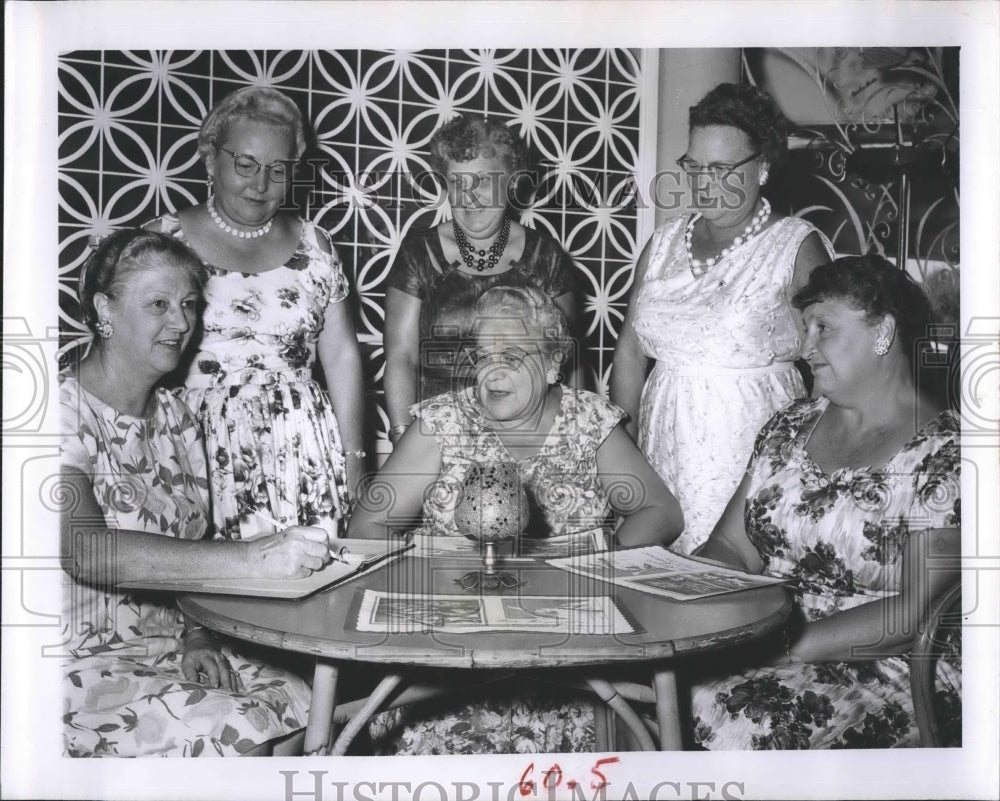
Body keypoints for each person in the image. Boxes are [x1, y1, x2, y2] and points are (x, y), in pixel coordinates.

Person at [349, 286, 683, 754]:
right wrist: (427, 585)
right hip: (451, 659)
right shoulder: (443, 423)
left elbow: (660, 512)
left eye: (513, 355)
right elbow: (367, 529)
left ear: (551, 365)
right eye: (483, 355)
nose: (493, 371)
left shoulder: (589, 421)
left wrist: (590, 566)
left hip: (571, 660)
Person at [60, 229, 331, 757]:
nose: (181, 322)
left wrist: (198, 636)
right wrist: (253, 559)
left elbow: (190, 547)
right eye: (158, 304)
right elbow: (85, 552)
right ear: (103, 310)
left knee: (300, 698)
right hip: (77, 662)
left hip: (168, 648)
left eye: (187, 304)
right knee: (240, 727)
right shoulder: (55, 412)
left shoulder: (177, 416)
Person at [687, 255, 960, 749]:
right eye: (805, 328)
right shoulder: (787, 427)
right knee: (648, 688)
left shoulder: (948, 451)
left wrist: (784, 647)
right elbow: (732, 547)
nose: (804, 347)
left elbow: (915, 611)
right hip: (766, 639)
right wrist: (689, 600)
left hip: (891, 664)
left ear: (883, 334)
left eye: (823, 329)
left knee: (733, 718)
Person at [611, 82, 834, 554]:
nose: (702, 184)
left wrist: (799, 469)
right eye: (694, 167)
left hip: (751, 454)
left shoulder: (796, 247)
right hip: (662, 449)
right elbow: (631, 349)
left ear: (763, 167)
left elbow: (827, 363)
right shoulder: (664, 242)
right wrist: (625, 453)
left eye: (721, 169)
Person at [144, 85, 364, 540]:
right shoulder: (161, 241)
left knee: (309, 590)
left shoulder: (316, 246)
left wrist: (356, 459)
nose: (260, 184)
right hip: (195, 448)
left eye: (278, 169)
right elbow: (127, 356)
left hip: (303, 450)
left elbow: (341, 356)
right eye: (245, 165)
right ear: (211, 160)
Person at [383, 113, 582, 450]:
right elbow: (401, 357)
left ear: (511, 182)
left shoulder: (544, 255)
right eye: (457, 183)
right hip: (436, 440)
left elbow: (571, 360)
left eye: (484, 182)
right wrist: (403, 438)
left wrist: (574, 440)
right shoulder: (420, 251)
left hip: (528, 438)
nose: (469, 197)